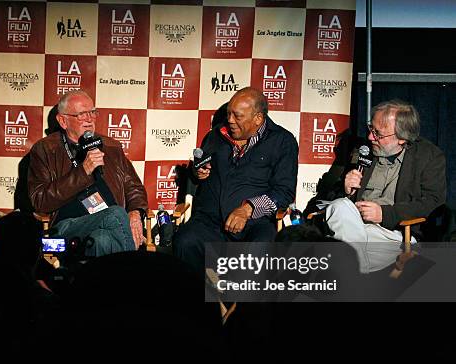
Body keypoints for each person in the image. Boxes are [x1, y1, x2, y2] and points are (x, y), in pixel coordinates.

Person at [173, 87, 299, 273]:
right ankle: (201, 299)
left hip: (255, 224)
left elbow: (284, 191)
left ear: (258, 118)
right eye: (228, 114)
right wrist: (197, 172)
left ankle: (242, 301)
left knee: (261, 248)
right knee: (185, 241)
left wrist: (248, 209)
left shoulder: (283, 141)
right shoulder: (216, 135)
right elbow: (199, 170)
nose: (230, 120)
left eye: (237, 116)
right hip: (209, 221)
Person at [323, 99, 446, 273]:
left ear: (402, 138)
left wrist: (385, 213)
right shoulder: (363, 150)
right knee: (339, 206)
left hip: (393, 235)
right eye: (370, 129)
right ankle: (357, 273)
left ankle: (353, 271)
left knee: (336, 254)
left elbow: (433, 202)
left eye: (378, 134)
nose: (370, 137)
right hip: (351, 225)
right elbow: (327, 197)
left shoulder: (429, 156)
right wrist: (344, 188)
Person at [27, 90, 148, 257]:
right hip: (65, 230)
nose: (90, 119)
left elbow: (134, 187)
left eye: (92, 112)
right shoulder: (46, 149)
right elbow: (40, 200)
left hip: (108, 227)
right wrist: (83, 171)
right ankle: (131, 275)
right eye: (82, 115)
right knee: (116, 213)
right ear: (63, 121)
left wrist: (135, 213)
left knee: (102, 240)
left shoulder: (110, 147)